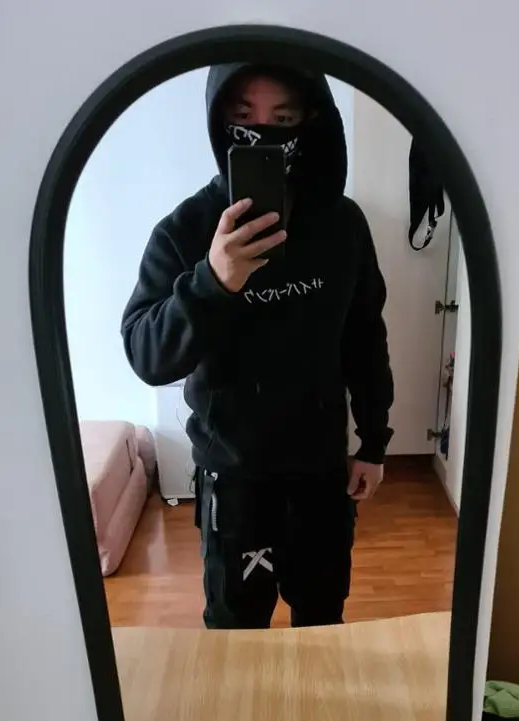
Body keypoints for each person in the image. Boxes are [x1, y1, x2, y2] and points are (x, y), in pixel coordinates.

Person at [122, 63, 394, 629]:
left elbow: (365, 336)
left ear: (311, 121)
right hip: (235, 481)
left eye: (283, 119)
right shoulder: (185, 230)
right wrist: (212, 281)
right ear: (218, 118)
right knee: (236, 632)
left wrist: (373, 440)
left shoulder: (343, 224)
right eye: (244, 116)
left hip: (321, 474)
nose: (262, 132)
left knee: (322, 621)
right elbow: (147, 355)